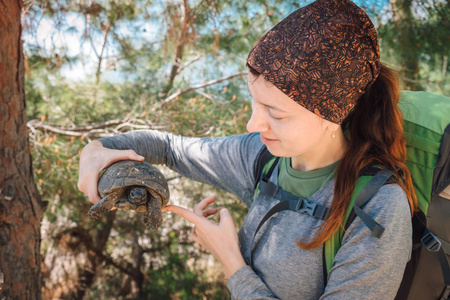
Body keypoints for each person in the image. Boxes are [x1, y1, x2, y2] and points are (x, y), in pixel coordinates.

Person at [77, 0, 417, 298]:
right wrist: (98, 148)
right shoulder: (261, 158)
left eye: (276, 113)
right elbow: (169, 148)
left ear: (332, 116)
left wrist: (231, 263)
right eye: (254, 102)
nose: (253, 125)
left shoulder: (379, 208)